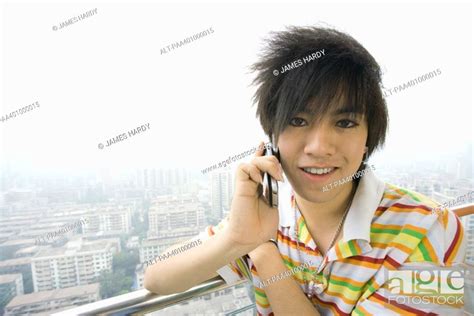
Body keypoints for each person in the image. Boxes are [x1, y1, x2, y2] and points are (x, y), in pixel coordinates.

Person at [144, 26, 466, 315]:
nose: (319, 146)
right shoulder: (268, 215)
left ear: (368, 139)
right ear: (272, 139)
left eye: (344, 122)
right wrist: (237, 238)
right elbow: (156, 277)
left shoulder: (431, 230)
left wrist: (265, 254)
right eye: (298, 120)